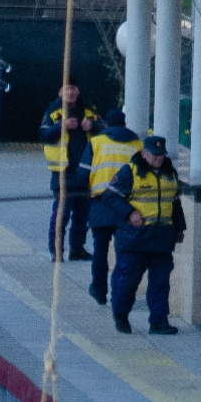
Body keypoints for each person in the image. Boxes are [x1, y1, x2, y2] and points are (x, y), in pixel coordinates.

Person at [106, 133, 187, 335]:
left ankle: (159, 322)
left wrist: (179, 228)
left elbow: (175, 204)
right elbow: (110, 197)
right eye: (154, 154)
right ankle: (121, 315)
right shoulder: (129, 172)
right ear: (143, 153)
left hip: (162, 237)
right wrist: (129, 213)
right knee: (129, 281)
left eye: (161, 154)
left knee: (160, 282)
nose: (158, 158)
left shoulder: (170, 173)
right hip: (136, 238)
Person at [82, 114, 137, 304]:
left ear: (105, 124)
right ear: (125, 124)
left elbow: (83, 173)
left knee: (100, 250)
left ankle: (99, 290)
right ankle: (118, 294)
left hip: (100, 204)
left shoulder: (96, 142)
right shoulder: (137, 144)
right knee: (123, 252)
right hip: (127, 207)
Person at [38, 84, 93, 261]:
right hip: (63, 173)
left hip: (85, 173)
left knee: (82, 217)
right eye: (67, 89)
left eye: (74, 88)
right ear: (60, 92)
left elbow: (103, 129)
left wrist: (93, 125)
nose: (71, 92)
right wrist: (61, 126)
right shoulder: (53, 112)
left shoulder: (88, 111)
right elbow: (43, 135)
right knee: (61, 216)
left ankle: (77, 249)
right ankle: (56, 251)